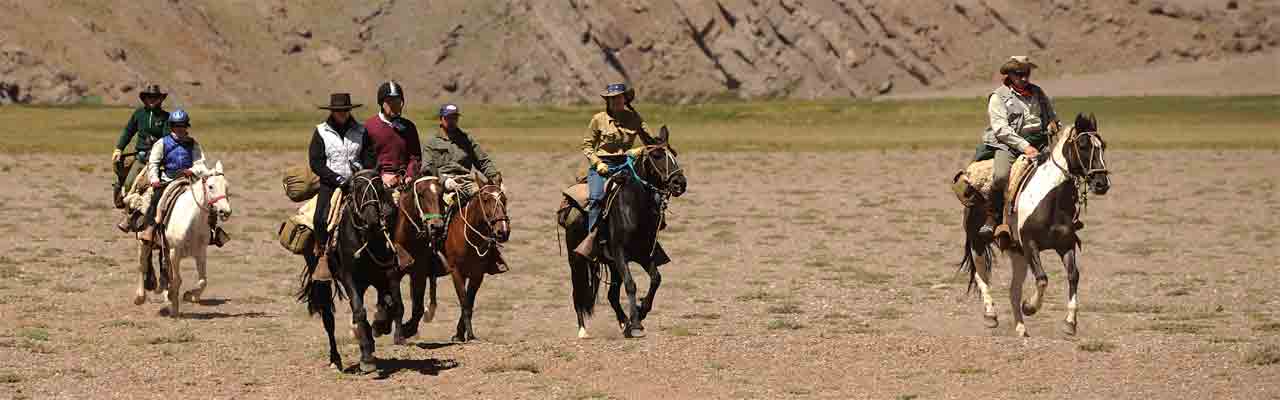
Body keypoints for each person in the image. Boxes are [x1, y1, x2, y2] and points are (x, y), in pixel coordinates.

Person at [977, 56, 1060, 240]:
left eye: (1027, 73)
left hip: (1040, 143)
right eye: (1019, 74)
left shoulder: (1038, 93)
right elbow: (1001, 129)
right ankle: (994, 219)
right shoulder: (998, 97)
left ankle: (1064, 216)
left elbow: (1051, 116)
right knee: (1000, 176)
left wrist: (1053, 124)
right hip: (1009, 144)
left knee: (1064, 170)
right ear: (1010, 75)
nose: (1024, 78)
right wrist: (1025, 146)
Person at [420, 103, 507, 273]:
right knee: (439, 209)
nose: (452, 121)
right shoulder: (432, 143)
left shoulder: (466, 139)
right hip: (443, 184)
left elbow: (483, 161)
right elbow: (427, 169)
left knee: (489, 202)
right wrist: (444, 181)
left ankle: (491, 252)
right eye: (448, 118)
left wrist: (497, 180)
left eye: (455, 118)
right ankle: (435, 251)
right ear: (441, 119)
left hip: (467, 182)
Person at [308, 93, 374, 279]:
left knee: (378, 212)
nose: (342, 114)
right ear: (332, 112)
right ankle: (322, 254)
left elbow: (369, 156)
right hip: (331, 184)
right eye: (338, 111)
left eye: (345, 110)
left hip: (359, 182)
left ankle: (385, 251)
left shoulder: (361, 131)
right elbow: (316, 162)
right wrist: (336, 179)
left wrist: (363, 174)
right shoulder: (321, 131)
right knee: (320, 218)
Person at [581, 83, 657, 236]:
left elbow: (651, 143)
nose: (616, 101)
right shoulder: (598, 119)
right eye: (612, 98)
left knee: (652, 195)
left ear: (625, 99)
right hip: (603, 166)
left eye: (619, 97)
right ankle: (593, 237)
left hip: (627, 164)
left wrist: (641, 149)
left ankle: (651, 237)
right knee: (596, 198)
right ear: (607, 101)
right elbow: (587, 146)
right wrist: (597, 163)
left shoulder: (634, 118)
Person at [138, 109, 209, 242]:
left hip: (190, 181)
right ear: (171, 127)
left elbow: (200, 163)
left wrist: (192, 171)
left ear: (186, 126)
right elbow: (153, 163)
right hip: (169, 180)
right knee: (156, 199)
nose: (179, 129)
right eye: (176, 125)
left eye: (182, 125)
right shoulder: (162, 143)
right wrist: (154, 179)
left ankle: (211, 231)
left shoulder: (193, 144)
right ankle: (150, 229)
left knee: (209, 201)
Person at [113, 84, 170, 209]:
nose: (152, 99)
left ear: (160, 99)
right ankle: (128, 213)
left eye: (155, 97)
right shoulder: (139, 114)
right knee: (129, 185)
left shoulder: (166, 117)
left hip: (158, 160)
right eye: (149, 97)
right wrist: (119, 148)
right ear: (145, 99)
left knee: (160, 190)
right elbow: (128, 131)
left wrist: (157, 145)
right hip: (141, 158)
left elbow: (167, 139)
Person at [364, 80, 421, 199]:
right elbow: (366, 159)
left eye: (398, 101)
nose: (395, 105)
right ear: (381, 103)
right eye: (391, 102)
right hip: (378, 182)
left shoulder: (409, 127)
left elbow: (415, 157)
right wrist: (380, 177)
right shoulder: (369, 127)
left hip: (405, 182)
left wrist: (409, 175)